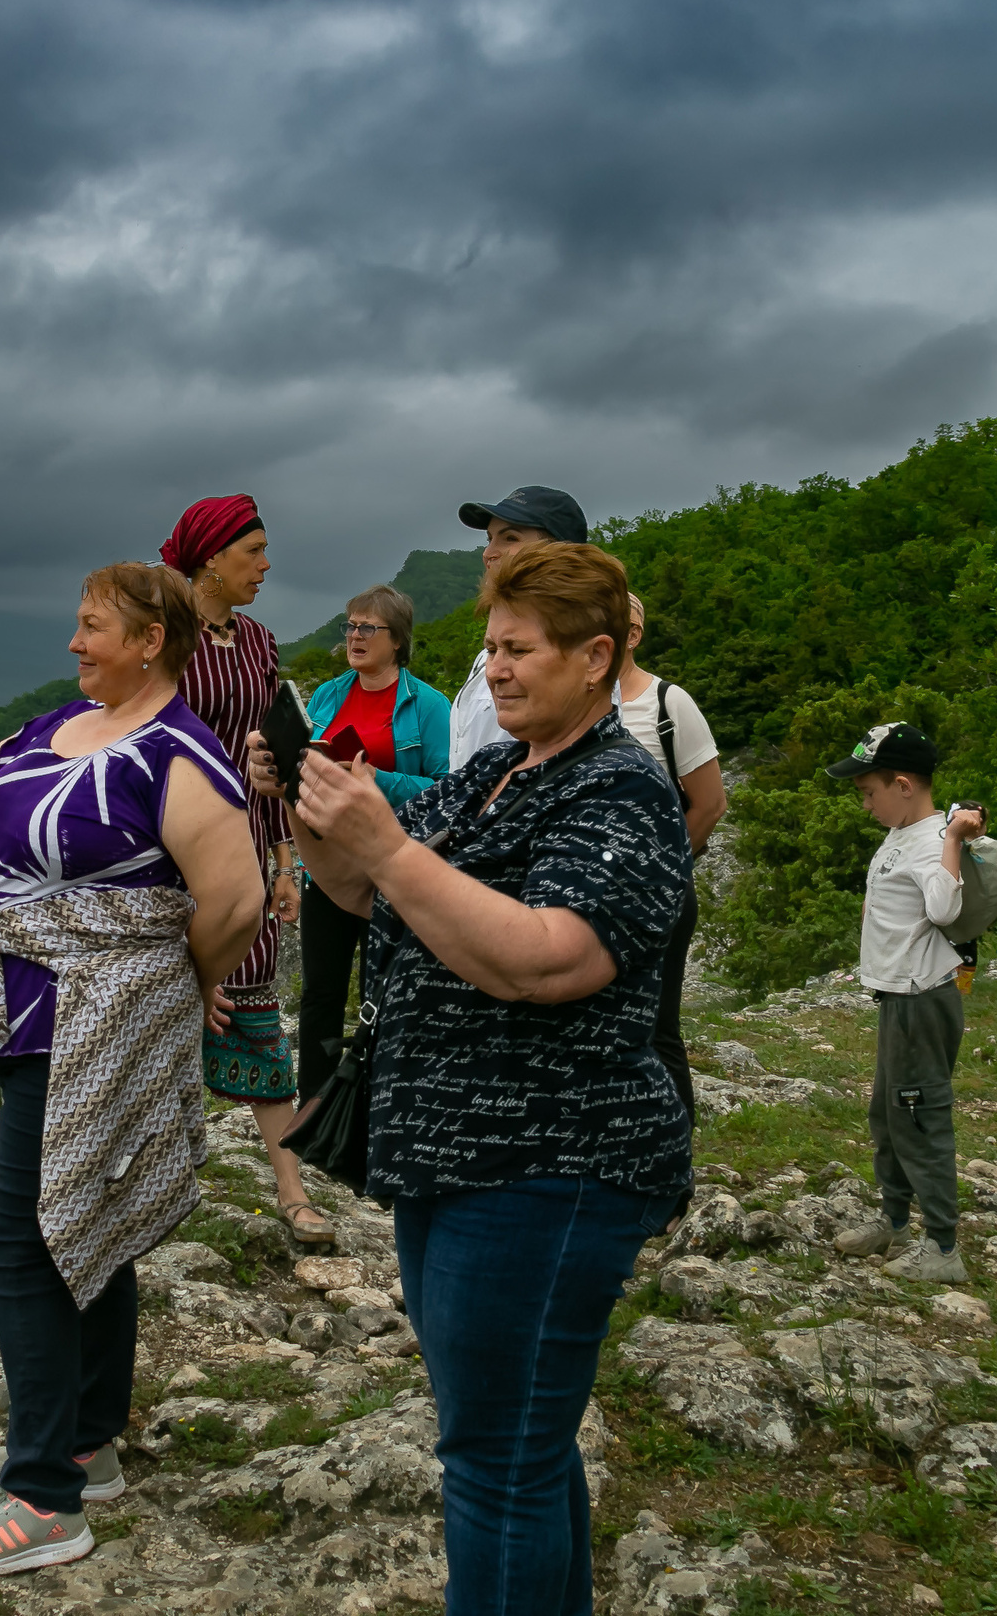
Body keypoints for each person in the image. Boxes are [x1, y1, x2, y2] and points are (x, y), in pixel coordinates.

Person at [289, 542, 691, 1616]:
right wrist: (315, 815)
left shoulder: (620, 791)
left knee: (492, 1462)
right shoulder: (499, 770)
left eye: (519, 650)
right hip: (454, 1159)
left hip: (549, 1165)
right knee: (519, 1441)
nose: (496, 670)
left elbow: (550, 959)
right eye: (490, 648)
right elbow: (366, 891)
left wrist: (386, 847)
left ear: (594, 656)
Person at [0, 561, 264, 1580]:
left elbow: (234, 901)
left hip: (96, 1021)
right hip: (24, 1008)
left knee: (24, 1238)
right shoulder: (48, 730)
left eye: (90, 627)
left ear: (149, 639)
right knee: (88, 1214)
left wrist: (166, 986)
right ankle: (84, 1438)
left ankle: (40, 1501)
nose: (74, 644)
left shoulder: (178, 756)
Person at [159, 495, 321, 1241]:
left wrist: (285, 858)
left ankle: (292, 1189)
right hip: (171, 849)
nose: (264, 564)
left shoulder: (257, 640)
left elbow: (271, 754)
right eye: (251, 550)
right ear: (209, 559)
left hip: (249, 845)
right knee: (159, 1013)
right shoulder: (165, 635)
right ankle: (139, 1188)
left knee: (256, 1014)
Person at [824, 722, 985, 1284]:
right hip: (897, 996)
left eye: (869, 791)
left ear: (903, 784)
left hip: (924, 997)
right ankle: (894, 1221)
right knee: (888, 1114)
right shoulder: (902, 834)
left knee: (919, 1115)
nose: (864, 802)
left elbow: (942, 909)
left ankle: (943, 1248)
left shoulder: (931, 839)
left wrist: (951, 840)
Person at [281, 585, 452, 1102]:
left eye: (367, 628)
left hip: (391, 864)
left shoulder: (428, 705)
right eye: (350, 626)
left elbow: (446, 790)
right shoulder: (328, 695)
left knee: (388, 991)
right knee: (321, 992)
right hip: (328, 861)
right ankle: (314, 1103)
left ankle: (382, 1100)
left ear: (397, 640)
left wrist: (376, 780)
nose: (354, 636)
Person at [614, 590, 727, 1120]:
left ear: (633, 635)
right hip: (588, 893)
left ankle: (674, 1153)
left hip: (657, 891)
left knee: (657, 1025)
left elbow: (709, 804)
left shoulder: (667, 703)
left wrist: (664, 870)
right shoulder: (571, 700)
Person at [449, 485, 589, 768]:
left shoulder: (579, 652)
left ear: (560, 552)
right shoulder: (486, 659)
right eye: (489, 539)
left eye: (509, 538)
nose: (489, 553)